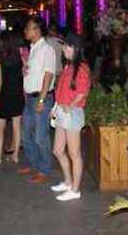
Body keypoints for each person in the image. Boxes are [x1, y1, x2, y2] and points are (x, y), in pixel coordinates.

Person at [51, 33, 91, 202]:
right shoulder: (68, 66)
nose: (64, 49)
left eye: (67, 46)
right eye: (64, 45)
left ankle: (75, 189)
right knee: (58, 150)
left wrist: (71, 105)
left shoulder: (81, 68)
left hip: (72, 113)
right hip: (62, 111)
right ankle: (68, 182)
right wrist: (56, 107)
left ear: (76, 48)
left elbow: (83, 91)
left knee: (74, 153)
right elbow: (61, 90)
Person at [18, 16, 56, 185]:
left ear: (38, 30)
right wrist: (26, 70)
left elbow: (48, 75)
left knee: (41, 136)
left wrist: (41, 100)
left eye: (29, 28)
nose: (25, 31)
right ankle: (34, 163)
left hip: (41, 97)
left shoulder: (46, 49)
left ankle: (44, 169)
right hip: (30, 98)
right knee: (26, 134)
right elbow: (37, 72)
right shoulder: (33, 49)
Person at [0, 32, 25, 164]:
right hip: (17, 94)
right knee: (17, 126)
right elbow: (24, 72)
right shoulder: (18, 58)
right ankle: (15, 156)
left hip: (4, 95)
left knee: (0, 128)